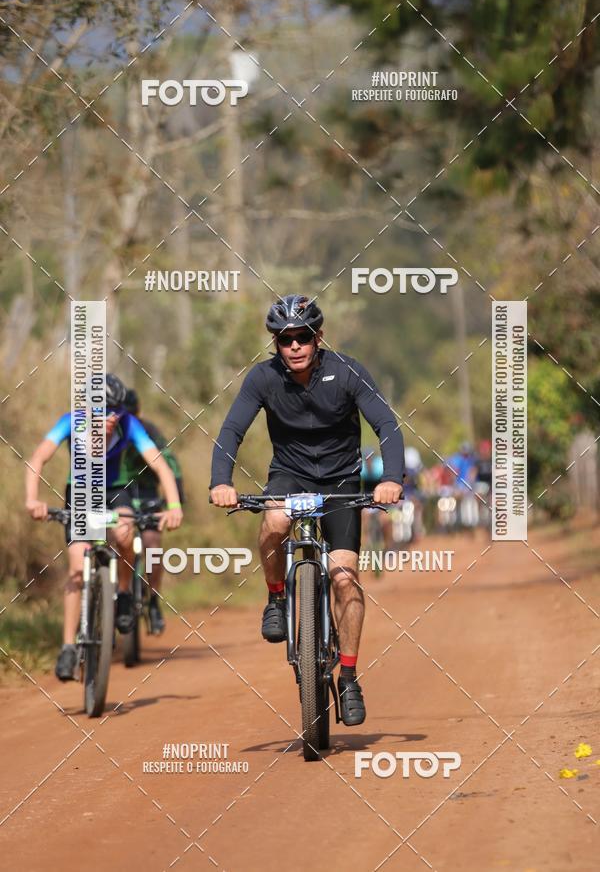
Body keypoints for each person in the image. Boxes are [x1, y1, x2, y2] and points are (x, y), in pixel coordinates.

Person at [209, 295, 404, 726]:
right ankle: (277, 599)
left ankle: (349, 677)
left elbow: (386, 424)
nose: (294, 346)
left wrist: (392, 478)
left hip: (341, 481)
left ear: (318, 338)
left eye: (302, 337)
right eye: (284, 340)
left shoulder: (348, 371)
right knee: (275, 520)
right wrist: (220, 482)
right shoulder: (263, 378)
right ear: (275, 344)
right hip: (289, 475)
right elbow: (232, 430)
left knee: (346, 578)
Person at [25, 373, 183, 681]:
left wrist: (174, 506)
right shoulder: (69, 422)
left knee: (125, 533)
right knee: (76, 567)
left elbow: (160, 465)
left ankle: (123, 593)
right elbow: (37, 459)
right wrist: (33, 500)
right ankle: (69, 646)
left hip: (116, 490)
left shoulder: (129, 426)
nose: (109, 418)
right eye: (100, 410)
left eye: (114, 411)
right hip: (82, 493)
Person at [122, 387, 185, 634]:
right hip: (116, 493)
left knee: (152, 545)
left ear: (138, 414)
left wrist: (176, 503)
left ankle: (153, 602)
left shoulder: (147, 431)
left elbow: (170, 466)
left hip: (147, 491)